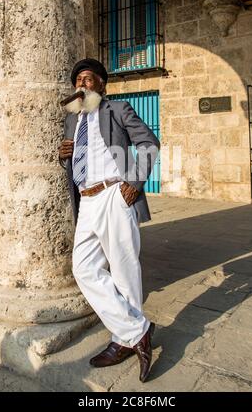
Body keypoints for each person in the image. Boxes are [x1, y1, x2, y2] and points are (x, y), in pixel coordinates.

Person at [58, 58, 160, 382]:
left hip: (115, 194)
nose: (82, 84)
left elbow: (149, 143)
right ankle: (138, 330)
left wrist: (134, 182)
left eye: (88, 79)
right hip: (86, 200)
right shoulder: (72, 122)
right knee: (84, 268)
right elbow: (77, 163)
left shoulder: (117, 110)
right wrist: (64, 158)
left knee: (124, 270)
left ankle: (123, 341)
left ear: (101, 84)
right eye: (79, 80)